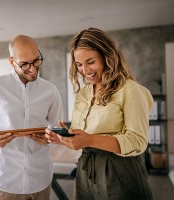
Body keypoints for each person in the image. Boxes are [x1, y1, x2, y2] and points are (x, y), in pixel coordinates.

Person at [45, 28, 154, 200]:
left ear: (107, 57)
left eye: (90, 62)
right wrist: (63, 139)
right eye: (79, 64)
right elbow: (84, 136)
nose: (84, 70)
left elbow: (138, 141)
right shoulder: (84, 92)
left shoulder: (131, 90)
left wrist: (89, 140)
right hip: (86, 169)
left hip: (120, 171)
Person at [0, 35, 63, 200]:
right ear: (11, 62)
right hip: (5, 179)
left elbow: (57, 128)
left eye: (36, 60)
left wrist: (51, 137)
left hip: (40, 177)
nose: (32, 68)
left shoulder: (51, 90)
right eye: (24, 64)